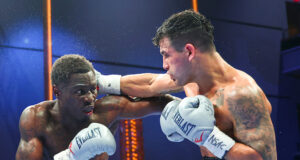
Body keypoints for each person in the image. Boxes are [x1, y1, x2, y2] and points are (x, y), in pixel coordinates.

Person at [104, 10, 276, 159]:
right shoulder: (190, 79)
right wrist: (101, 82)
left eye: (166, 55)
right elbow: (151, 84)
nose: (164, 65)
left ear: (189, 51)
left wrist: (208, 137)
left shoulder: (241, 95)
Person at [15, 54, 176, 160]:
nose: (90, 98)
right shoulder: (37, 119)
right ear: (57, 91)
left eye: (93, 89)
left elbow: (160, 101)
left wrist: (185, 107)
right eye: (80, 91)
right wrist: (70, 157)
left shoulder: (108, 111)